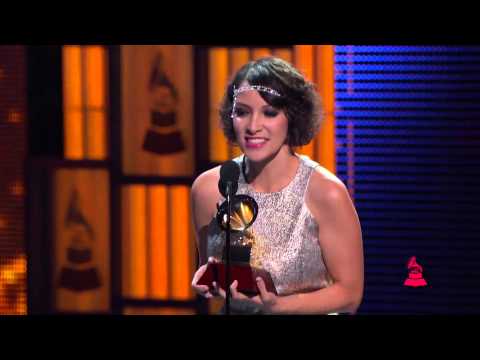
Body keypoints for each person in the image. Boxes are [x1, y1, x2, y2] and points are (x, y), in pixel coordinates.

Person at [191, 56, 364, 314]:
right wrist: (210, 278)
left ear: (293, 117)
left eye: (269, 113)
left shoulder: (326, 193)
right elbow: (217, 273)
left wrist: (279, 307)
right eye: (242, 112)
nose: (253, 126)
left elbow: (350, 294)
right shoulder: (208, 189)